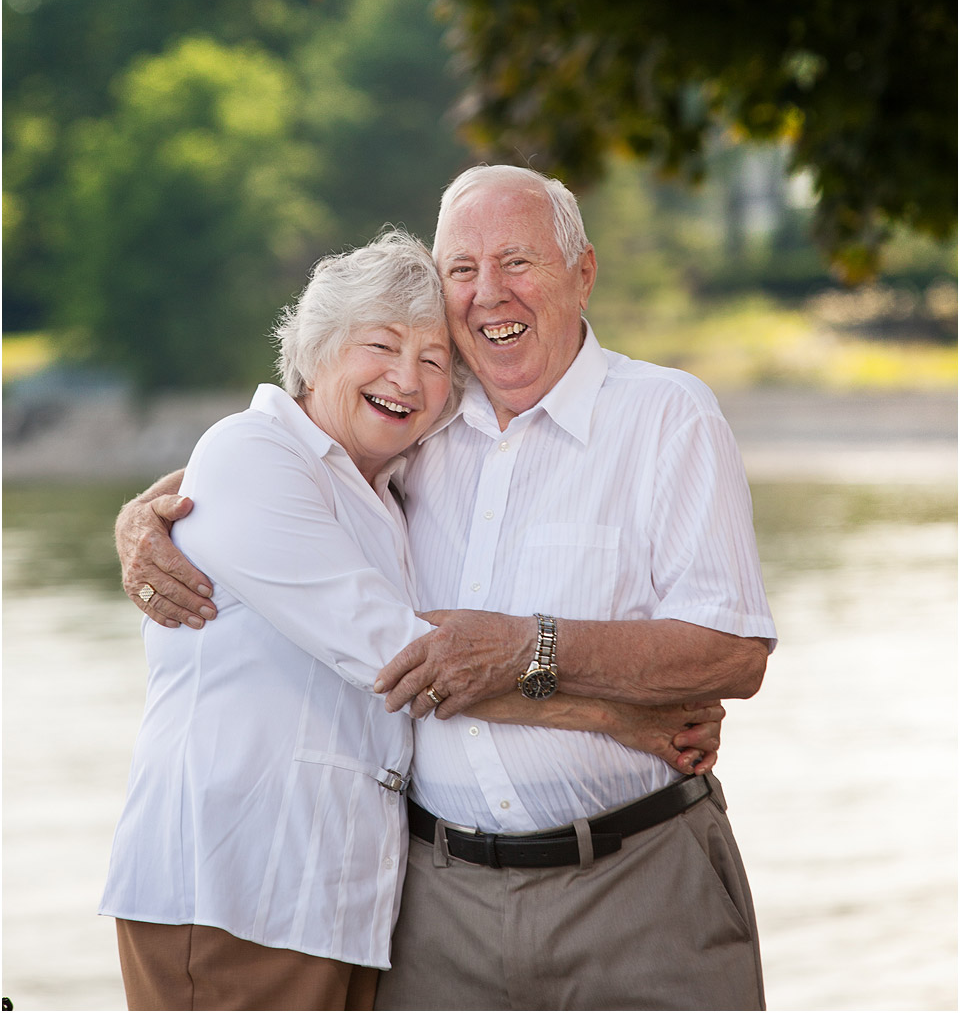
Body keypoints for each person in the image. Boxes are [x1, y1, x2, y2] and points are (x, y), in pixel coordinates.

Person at [116, 167, 777, 1011]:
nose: (486, 294)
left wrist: (531, 648)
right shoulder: (416, 430)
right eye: (461, 269)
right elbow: (275, 476)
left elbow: (733, 654)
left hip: (634, 887)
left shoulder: (662, 417)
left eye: (517, 262)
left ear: (583, 273)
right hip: (415, 906)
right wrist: (141, 518)